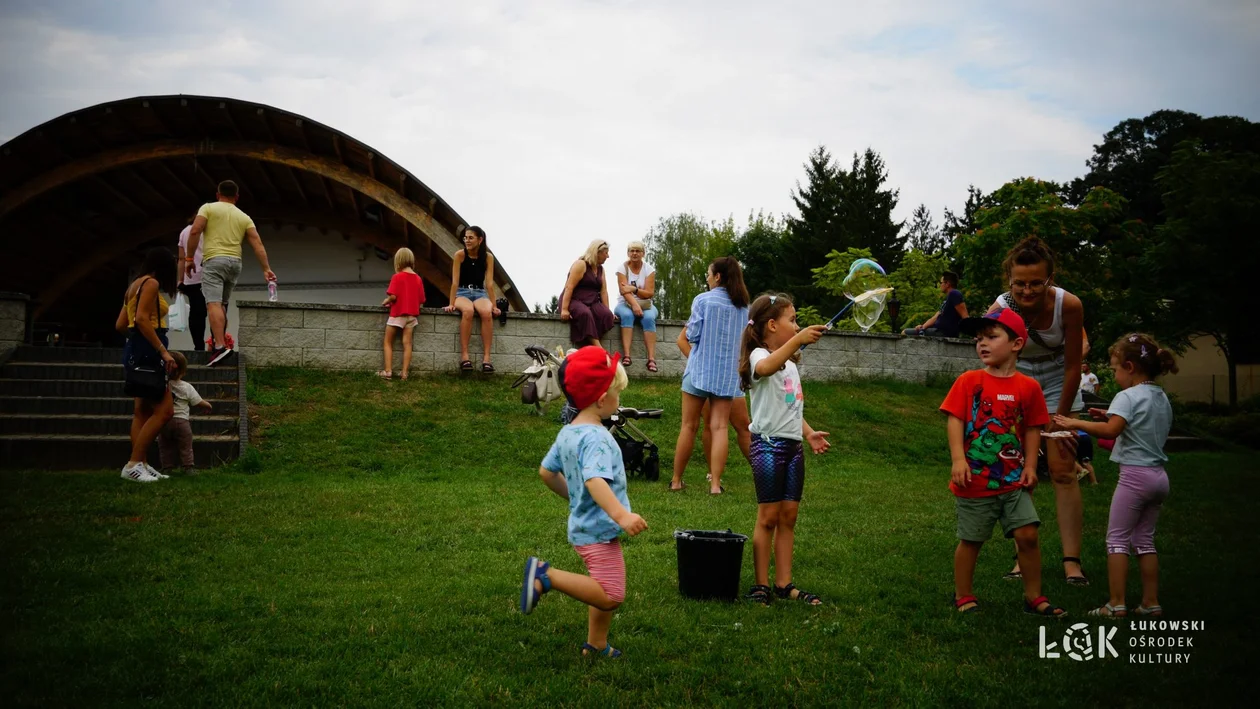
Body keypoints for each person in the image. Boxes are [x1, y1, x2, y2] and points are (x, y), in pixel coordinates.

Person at [519, 346, 647, 659]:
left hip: (583, 524)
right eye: (617, 393)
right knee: (612, 595)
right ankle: (545, 576)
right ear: (603, 399)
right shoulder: (598, 438)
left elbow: (546, 472)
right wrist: (621, 516)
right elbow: (594, 480)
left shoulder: (568, 433)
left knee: (601, 585)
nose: (619, 399)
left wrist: (573, 497)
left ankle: (597, 644)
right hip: (600, 529)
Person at [942, 308, 1066, 617]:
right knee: (971, 540)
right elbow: (955, 419)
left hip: (1013, 481)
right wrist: (958, 459)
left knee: (1028, 535)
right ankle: (963, 595)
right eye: (978, 338)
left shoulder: (1029, 387)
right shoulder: (969, 381)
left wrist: (1031, 467)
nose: (981, 343)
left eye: (991, 337)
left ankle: (1034, 596)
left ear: (1016, 343)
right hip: (974, 480)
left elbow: (1034, 428)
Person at [1053, 334, 1178, 618]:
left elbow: (1112, 431)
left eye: (1115, 369)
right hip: (1159, 477)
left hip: (1134, 477)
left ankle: (1116, 604)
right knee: (1145, 541)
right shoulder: (1160, 396)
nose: (1115, 374)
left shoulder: (1127, 396)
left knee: (1117, 540)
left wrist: (1073, 421)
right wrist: (1110, 413)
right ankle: (1150, 602)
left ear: (1130, 367)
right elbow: (1137, 422)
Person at [988, 237, 1089, 585]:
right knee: (1019, 469)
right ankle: (1022, 557)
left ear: (1050, 279)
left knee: (1062, 469)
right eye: (1020, 284)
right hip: (1018, 376)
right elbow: (989, 354)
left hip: (1060, 376)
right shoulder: (1000, 309)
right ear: (1009, 281)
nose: (1027, 291)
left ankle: (1071, 562)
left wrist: (1056, 421)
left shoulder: (1069, 305)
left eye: (1036, 283)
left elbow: (1074, 366)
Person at [739, 293, 830, 606]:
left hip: (792, 448)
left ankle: (783, 583)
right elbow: (764, 368)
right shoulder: (758, 356)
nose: (797, 325)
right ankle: (761, 585)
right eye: (793, 320)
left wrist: (808, 433)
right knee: (768, 516)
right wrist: (799, 341)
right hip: (767, 446)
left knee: (788, 516)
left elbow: (792, 405)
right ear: (772, 325)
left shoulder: (790, 364)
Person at [668, 257, 750, 495]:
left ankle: (676, 481)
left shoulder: (702, 300)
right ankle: (715, 485)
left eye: (708, 274)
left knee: (688, 426)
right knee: (720, 428)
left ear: (718, 277)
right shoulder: (745, 307)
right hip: (726, 376)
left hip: (698, 371)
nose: (707, 278)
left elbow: (692, 334)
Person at [185, 180, 277, 367]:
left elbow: (195, 231)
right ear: (237, 197)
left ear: (218, 194)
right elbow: (257, 243)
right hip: (235, 263)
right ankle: (222, 343)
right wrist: (266, 269)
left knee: (213, 304)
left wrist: (188, 259)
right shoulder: (244, 216)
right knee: (223, 305)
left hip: (214, 260)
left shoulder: (208, 208)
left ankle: (219, 346)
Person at [115, 247, 179, 483]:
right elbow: (142, 318)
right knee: (165, 410)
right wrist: (162, 351)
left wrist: (136, 343)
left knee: (141, 411)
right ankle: (133, 463)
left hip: (136, 348)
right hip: (151, 349)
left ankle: (141, 464)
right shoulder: (151, 284)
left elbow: (121, 324)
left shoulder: (133, 285)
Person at [676, 328, 752, 465]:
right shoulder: (706, 307)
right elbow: (682, 340)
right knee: (710, 424)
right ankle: (712, 474)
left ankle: (761, 471)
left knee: (744, 425)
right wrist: (699, 365)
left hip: (730, 378)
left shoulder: (741, 311)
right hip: (707, 379)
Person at [442, 226, 500, 373]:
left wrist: (494, 306)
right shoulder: (459, 255)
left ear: (480, 240)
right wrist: (450, 303)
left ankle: (487, 359)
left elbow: (489, 284)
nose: (467, 240)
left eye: (470, 238)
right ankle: (465, 357)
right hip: (462, 292)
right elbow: (454, 282)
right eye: (465, 238)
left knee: (486, 313)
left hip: (480, 293)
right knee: (468, 311)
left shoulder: (488, 257)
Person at [158, 351, 213, 476]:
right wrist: (208, 405)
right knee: (186, 446)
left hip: (164, 421)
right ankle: (188, 467)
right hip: (182, 422)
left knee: (165, 446)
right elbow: (197, 401)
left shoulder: (163, 385)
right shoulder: (186, 387)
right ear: (183, 371)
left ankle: (167, 467)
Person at [379, 247, 425, 380]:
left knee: (388, 342)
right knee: (407, 344)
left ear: (398, 260)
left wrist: (386, 301)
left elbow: (393, 297)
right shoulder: (418, 279)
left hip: (397, 314)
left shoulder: (397, 277)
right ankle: (404, 373)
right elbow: (422, 299)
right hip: (411, 317)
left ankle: (387, 371)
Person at [560, 240, 615, 348]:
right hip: (574, 300)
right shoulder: (581, 264)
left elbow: (604, 291)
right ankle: (598, 348)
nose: (608, 256)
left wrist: (607, 309)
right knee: (585, 314)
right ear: (597, 252)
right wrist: (564, 309)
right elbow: (569, 287)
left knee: (606, 315)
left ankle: (590, 342)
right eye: (606, 253)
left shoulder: (601, 269)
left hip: (593, 301)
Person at [613, 241, 659, 372]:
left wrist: (634, 289)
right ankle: (627, 356)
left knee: (649, 318)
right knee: (627, 316)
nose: (634, 253)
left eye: (638, 251)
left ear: (643, 253)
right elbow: (623, 291)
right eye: (632, 251)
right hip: (625, 304)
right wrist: (634, 305)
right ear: (628, 253)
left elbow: (649, 293)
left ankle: (651, 359)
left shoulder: (648, 269)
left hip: (646, 304)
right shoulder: (622, 268)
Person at [904, 271, 968, 338]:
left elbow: (965, 316)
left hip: (944, 333)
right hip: (937, 331)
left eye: (941, 283)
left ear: (947, 284)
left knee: (905, 332)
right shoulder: (947, 301)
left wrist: (975, 334)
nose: (940, 285)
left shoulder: (955, 294)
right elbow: (935, 317)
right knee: (906, 332)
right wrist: (922, 327)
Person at [176, 216, 208, 351]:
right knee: (215, 309)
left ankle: (198, 345)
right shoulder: (209, 230)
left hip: (191, 277)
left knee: (196, 313)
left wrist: (180, 280)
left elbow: (181, 259)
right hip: (210, 275)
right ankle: (217, 344)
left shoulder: (184, 232)